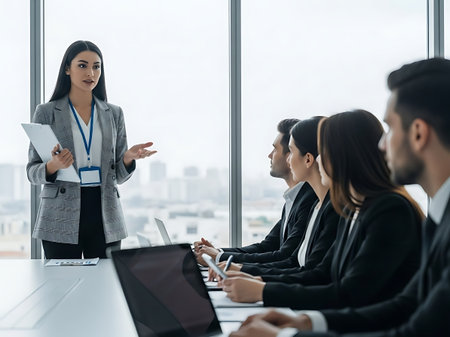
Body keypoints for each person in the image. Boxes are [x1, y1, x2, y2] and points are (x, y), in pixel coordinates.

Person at [229, 58, 450, 337]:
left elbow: (405, 323)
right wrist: (307, 324)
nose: (382, 145)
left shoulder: (392, 210)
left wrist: (288, 333)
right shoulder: (431, 218)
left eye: (391, 129)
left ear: (418, 133)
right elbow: (407, 305)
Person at [221, 110, 423, 312]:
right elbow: (322, 273)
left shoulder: (389, 211)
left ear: (344, 156)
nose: (317, 161)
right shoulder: (353, 210)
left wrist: (263, 290)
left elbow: (350, 293)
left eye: (323, 151)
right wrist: (257, 281)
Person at [27, 40, 156, 259]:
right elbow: (32, 172)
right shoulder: (47, 112)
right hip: (60, 214)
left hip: (105, 213)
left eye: (97, 66)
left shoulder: (113, 113)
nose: (91, 73)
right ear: (67, 69)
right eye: (83, 65)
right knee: (63, 286)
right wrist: (53, 166)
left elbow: (118, 177)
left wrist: (127, 159)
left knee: (105, 287)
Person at [210, 117, 339, 279]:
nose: (287, 159)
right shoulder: (314, 205)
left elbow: (309, 271)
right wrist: (230, 262)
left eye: (290, 152)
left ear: (308, 159)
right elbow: (284, 255)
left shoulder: (320, 204)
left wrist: (252, 278)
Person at [195, 119, 318, 265]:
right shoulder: (294, 199)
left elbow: (284, 256)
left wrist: (219, 258)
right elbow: (266, 246)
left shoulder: (310, 199)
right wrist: (217, 253)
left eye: (275, 149)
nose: (269, 155)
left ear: (289, 156)